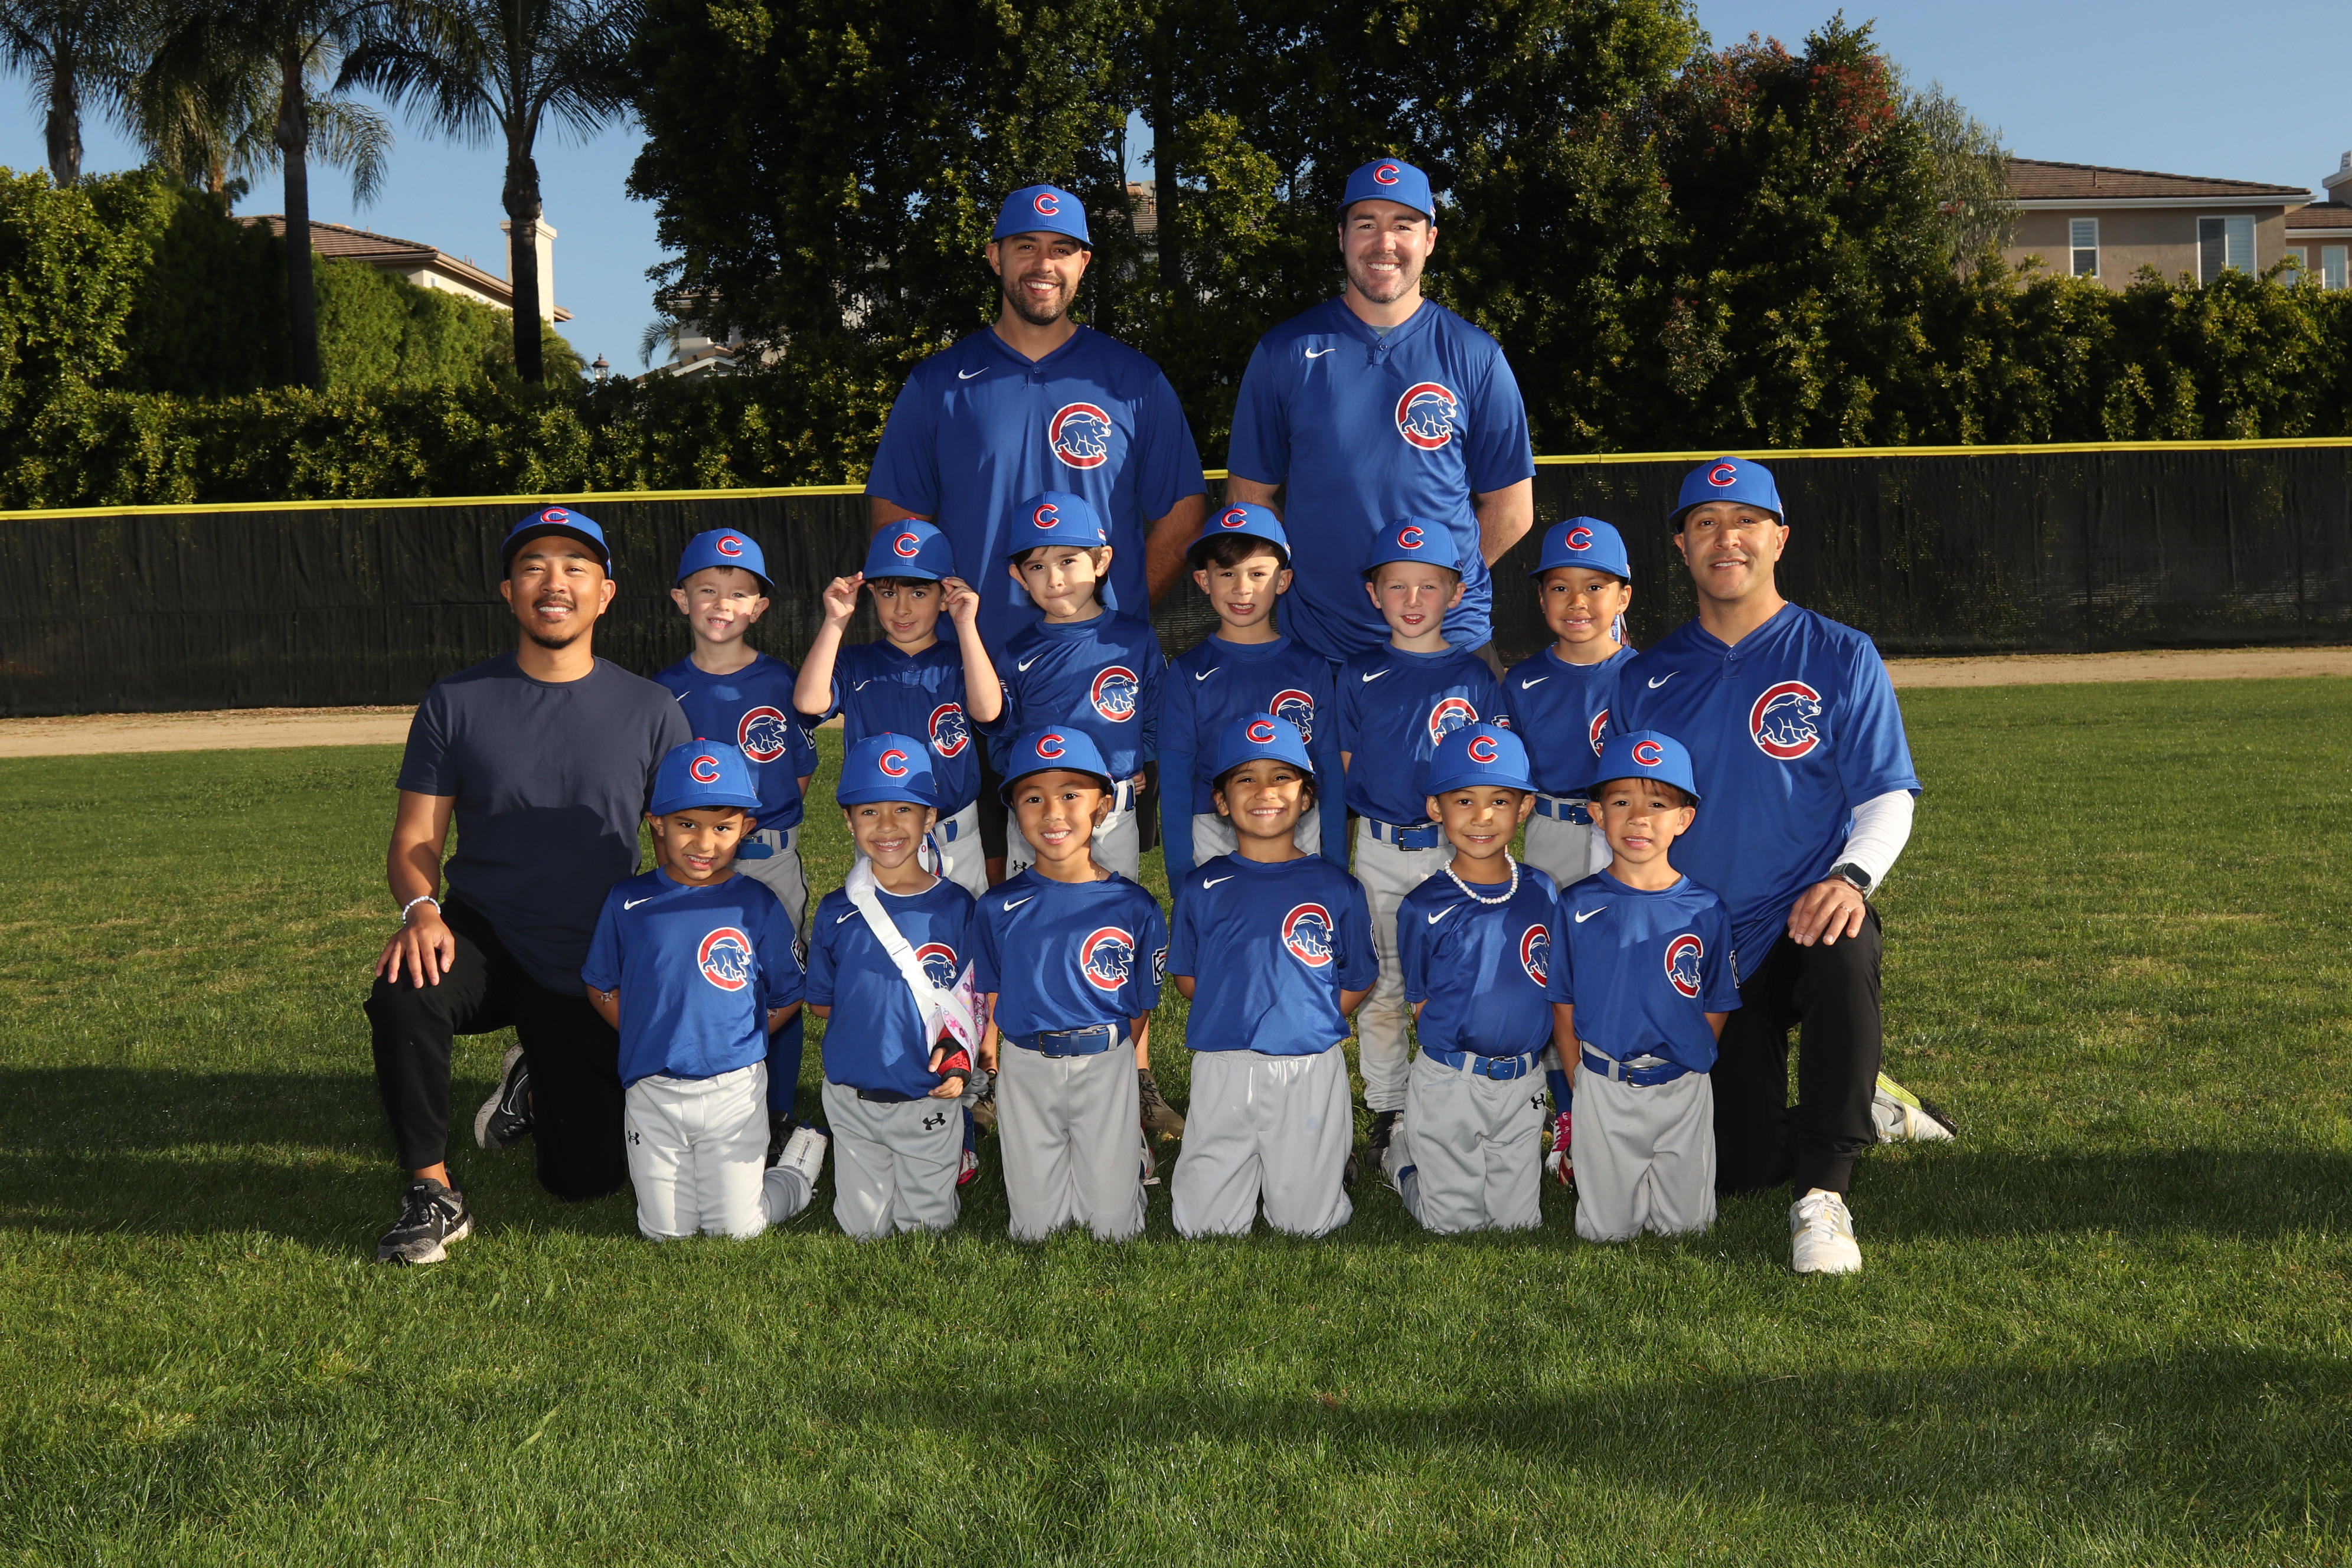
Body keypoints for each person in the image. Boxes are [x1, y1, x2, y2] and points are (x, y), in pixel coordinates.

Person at [1608, 456, 1930, 1276]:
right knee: (1740, 1168)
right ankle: (1863, 1099)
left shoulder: (1840, 653)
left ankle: (1825, 1192)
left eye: (1745, 521)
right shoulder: (1644, 677)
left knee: (1846, 943)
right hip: (1701, 943)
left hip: (1800, 916)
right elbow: (1622, 823)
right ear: (1681, 545)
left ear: (1779, 538)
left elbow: (1887, 794)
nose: (1727, 539)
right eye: (1706, 524)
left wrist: (1850, 878)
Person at [365, 505, 691, 1265]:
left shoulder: (651, 709)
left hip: (593, 951)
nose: (555, 582)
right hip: (484, 932)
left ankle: (533, 1080)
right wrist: (421, 910)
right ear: (508, 590)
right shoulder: (457, 700)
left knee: (585, 1180)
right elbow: (415, 840)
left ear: (605, 594)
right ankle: (431, 1189)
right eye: (533, 567)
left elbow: (681, 844)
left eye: (576, 567)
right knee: (406, 988)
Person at [864, 182, 1208, 878]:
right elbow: (898, 520)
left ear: (1083, 263)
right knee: (985, 887)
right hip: (973, 675)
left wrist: (1104, 616)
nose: (1043, 264)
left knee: (1100, 890)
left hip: (1096, 687)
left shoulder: (1133, 381)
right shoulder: (940, 384)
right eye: (1026, 247)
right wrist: (937, 626)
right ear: (996, 257)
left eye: (1061, 249)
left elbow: (1183, 513)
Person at [1223, 158, 1536, 666]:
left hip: (1451, 640)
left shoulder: (1477, 355)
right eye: (1366, 224)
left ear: (1430, 240)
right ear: (1342, 237)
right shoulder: (1284, 352)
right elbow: (1249, 498)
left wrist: (1435, 582)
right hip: (1323, 645)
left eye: (1404, 225)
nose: (1384, 243)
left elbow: (1513, 510)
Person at [581, 741, 820, 1241]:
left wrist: (741, 1038)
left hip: (733, 1090)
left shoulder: (756, 903)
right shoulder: (628, 901)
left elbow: (788, 993)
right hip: (653, 1089)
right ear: (657, 823)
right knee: (665, 1233)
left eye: (722, 828)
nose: (704, 843)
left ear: (746, 829)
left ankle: (795, 1175)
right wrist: (647, 1033)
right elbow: (601, 984)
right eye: (687, 823)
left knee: (737, 1229)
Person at [1335, 519, 1507, 1165]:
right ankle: (1389, 1108)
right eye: (1397, 585)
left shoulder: (1475, 676)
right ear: (1373, 593)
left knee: (1458, 976)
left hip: (1456, 852)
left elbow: (1493, 778)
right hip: (1381, 848)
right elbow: (1347, 770)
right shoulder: (1358, 673)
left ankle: (1457, 1095)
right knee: (1382, 985)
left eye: (1429, 585)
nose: (1413, 600)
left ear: (1456, 593)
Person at [1167, 717, 1374, 1239]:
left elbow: (1357, 977)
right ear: (1221, 802)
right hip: (1224, 1062)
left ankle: (1322, 1171)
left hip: (1309, 1065)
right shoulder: (1201, 886)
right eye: (1246, 779)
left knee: (1307, 1225)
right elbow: (1188, 978)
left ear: (1307, 798)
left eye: (1282, 777)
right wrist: (1237, 1009)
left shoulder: (1337, 887)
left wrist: (1305, 1018)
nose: (1265, 792)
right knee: (1204, 1228)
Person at [651, 528, 820, 1157]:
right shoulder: (664, 691)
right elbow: (656, 794)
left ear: (760, 607)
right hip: (692, 864)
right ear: (681, 599)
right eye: (707, 590)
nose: (722, 604)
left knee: (780, 981)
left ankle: (776, 1110)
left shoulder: (780, 681)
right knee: (705, 975)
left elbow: (798, 773)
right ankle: (703, 1094)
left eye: (739, 593)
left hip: (769, 857)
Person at [977, 729, 1170, 1243]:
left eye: (1070, 795)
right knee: (1034, 1231)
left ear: (1102, 807)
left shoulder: (1135, 906)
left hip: (1104, 1062)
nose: (1052, 813)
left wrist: (1111, 1053)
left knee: (1113, 1230)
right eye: (1033, 798)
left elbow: (1140, 1005)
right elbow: (994, 993)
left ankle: (1128, 1157)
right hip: (1027, 1065)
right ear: (1015, 811)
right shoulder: (997, 906)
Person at [1550, 731, 1739, 1243]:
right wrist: (1580, 1078)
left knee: (1688, 1229)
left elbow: (1717, 1000)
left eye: (1657, 804)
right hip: (1605, 1081)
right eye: (1621, 803)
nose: (1638, 818)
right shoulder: (1576, 905)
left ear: (1684, 819)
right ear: (1597, 814)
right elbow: (1563, 1004)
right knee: (1606, 1232)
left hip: (1683, 1086)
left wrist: (1692, 1056)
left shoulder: (1706, 909)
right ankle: (1581, 1153)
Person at [1502, 515, 1639, 1181]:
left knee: (1619, 967)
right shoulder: (1523, 681)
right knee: (1550, 970)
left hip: (1627, 835)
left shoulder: (1649, 675)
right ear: (1540, 599)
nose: (1577, 602)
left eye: (1595, 586)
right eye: (1560, 587)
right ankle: (1567, 1113)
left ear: (1624, 596)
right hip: (1552, 832)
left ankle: (1622, 1104)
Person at [805, 735, 982, 1240]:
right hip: (853, 1097)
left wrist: (960, 1052)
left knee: (927, 1230)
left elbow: (975, 1000)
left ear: (929, 818)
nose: (886, 826)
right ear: (849, 821)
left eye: (904, 809)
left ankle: (958, 1147)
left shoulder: (957, 907)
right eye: (869, 812)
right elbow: (821, 1004)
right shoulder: (837, 909)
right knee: (861, 1230)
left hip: (927, 1092)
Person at [1385, 724, 1557, 1234]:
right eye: (1464, 800)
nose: (1482, 817)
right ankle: (1403, 1163)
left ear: (1525, 808)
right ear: (1436, 808)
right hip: (1450, 1080)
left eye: (1500, 800)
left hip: (1523, 1080)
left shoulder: (1544, 892)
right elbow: (1420, 999)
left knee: (1517, 1226)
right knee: (1453, 1226)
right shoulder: (1422, 906)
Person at [793, 522, 997, 896]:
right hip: (882, 838)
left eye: (919, 593)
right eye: (888, 593)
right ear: (870, 592)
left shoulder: (962, 659)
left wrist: (966, 625)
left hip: (956, 838)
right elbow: (809, 702)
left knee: (964, 928)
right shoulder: (855, 662)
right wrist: (835, 621)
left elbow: (987, 710)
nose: (902, 609)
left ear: (946, 595)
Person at [1158, 502, 1347, 881]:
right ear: (1203, 581)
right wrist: (1180, 867)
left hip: (1297, 820)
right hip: (1213, 827)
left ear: (1283, 581)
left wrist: (1337, 857)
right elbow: (1176, 776)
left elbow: (1328, 766)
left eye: (1258, 574)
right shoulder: (1187, 671)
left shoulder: (1310, 667)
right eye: (1227, 573)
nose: (1242, 588)